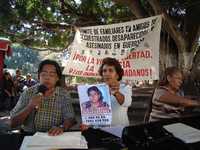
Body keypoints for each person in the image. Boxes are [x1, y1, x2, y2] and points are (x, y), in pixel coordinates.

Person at [10, 59, 76, 136]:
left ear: (57, 78)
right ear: (39, 76)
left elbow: (70, 118)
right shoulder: (28, 93)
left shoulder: (64, 94)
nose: (47, 78)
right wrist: (30, 106)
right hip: (29, 136)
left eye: (51, 75)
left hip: (54, 137)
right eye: (44, 74)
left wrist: (62, 127)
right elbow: (13, 123)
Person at [81, 57, 132, 130]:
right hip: (100, 132)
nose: (107, 73)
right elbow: (93, 114)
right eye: (104, 71)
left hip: (120, 131)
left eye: (110, 70)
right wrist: (88, 124)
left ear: (117, 75)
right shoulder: (97, 89)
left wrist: (116, 93)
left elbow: (127, 103)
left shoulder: (125, 87)